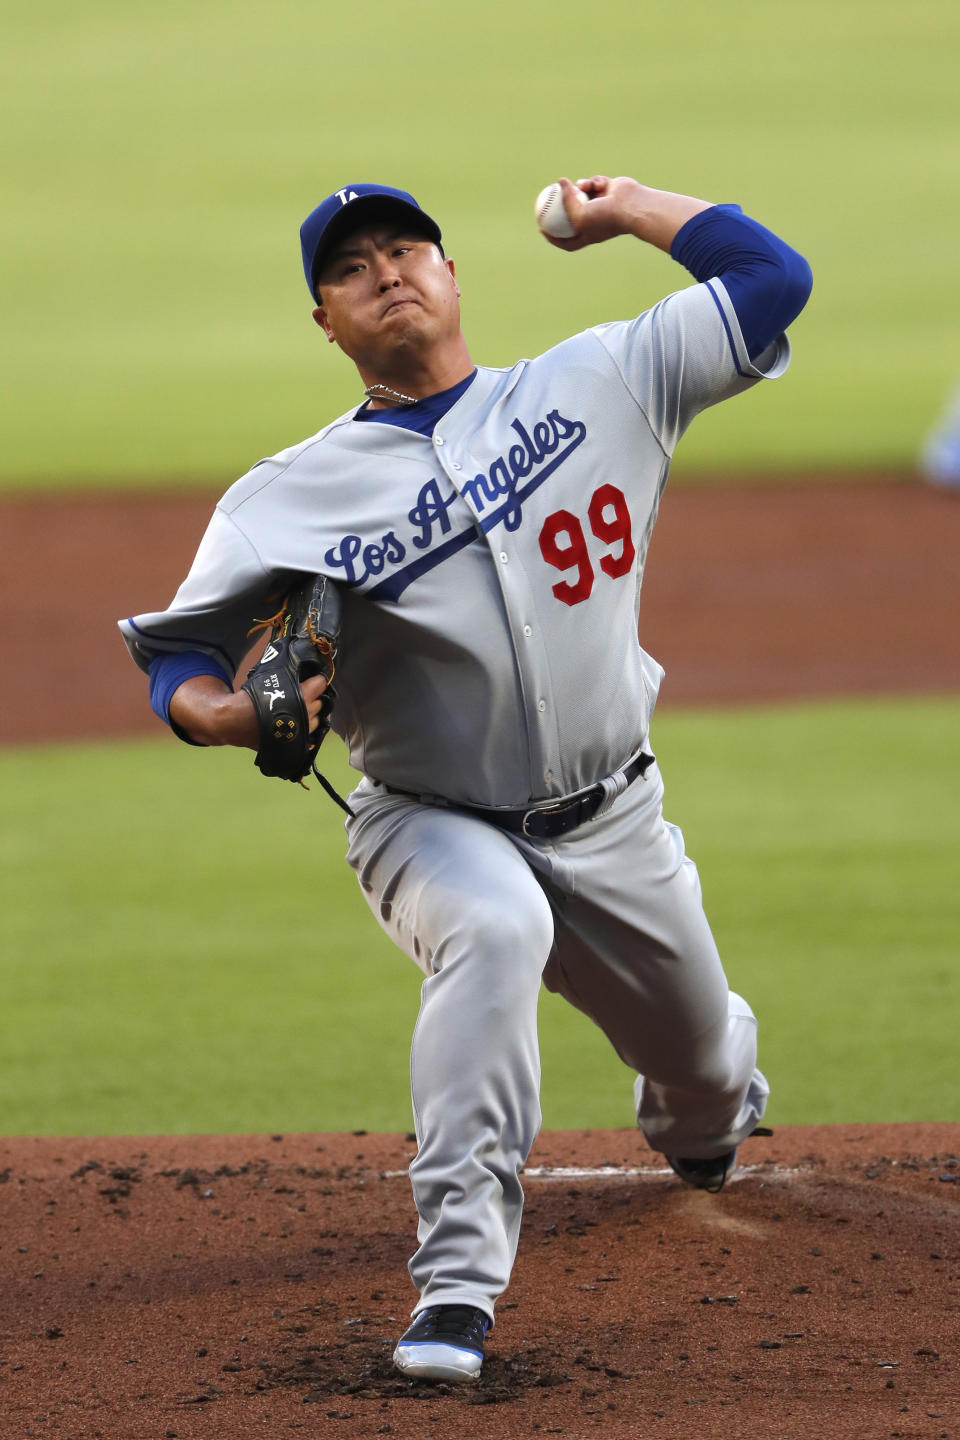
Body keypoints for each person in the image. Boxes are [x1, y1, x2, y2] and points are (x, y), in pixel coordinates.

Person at [120, 174, 812, 1384]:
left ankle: (705, 1113)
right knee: (495, 930)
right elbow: (175, 648)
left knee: (703, 1081)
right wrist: (224, 715)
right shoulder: (286, 493)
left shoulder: (602, 380)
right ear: (326, 323)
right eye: (349, 267)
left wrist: (629, 206)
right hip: (430, 822)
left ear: (452, 277)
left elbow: (772, 284)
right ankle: (456, 1289)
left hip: (618, 817)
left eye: (407, 249)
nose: (385, 270)